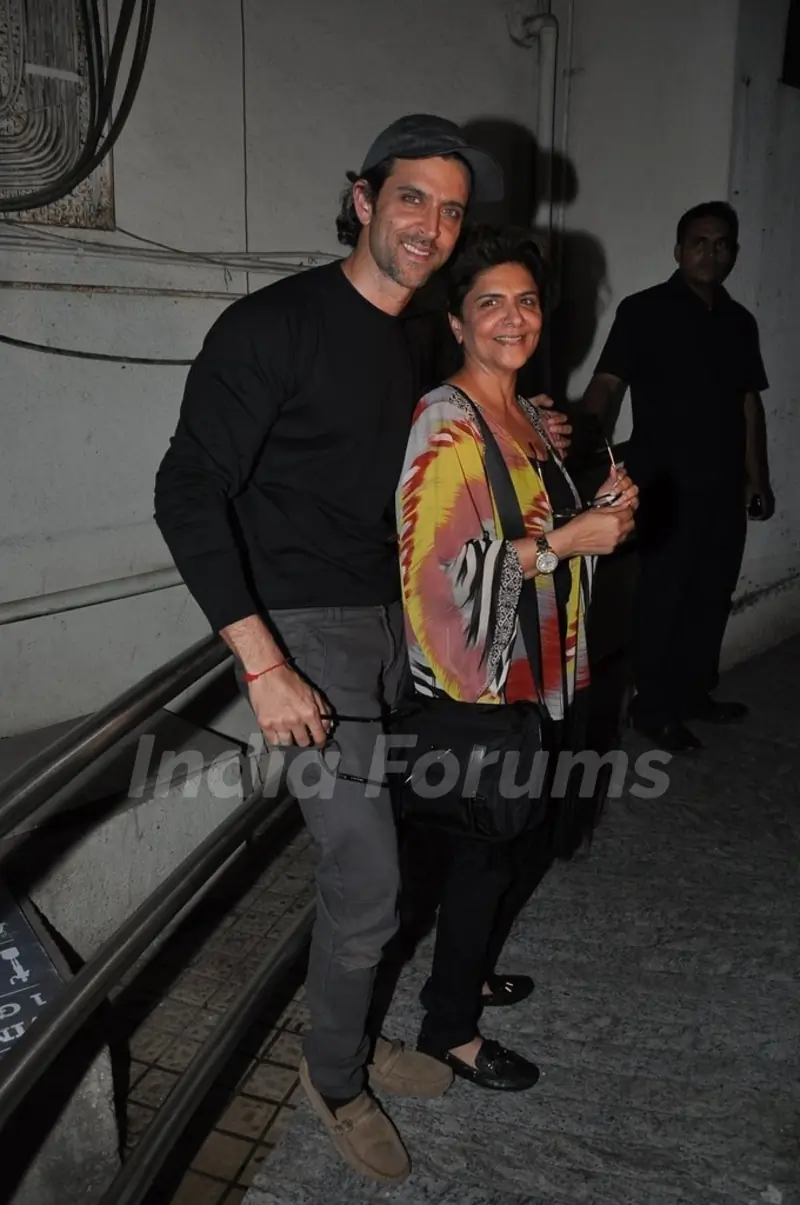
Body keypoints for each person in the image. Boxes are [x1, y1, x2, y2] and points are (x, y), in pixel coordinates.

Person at [154, 114, 508, 1184]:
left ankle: (346, 1036)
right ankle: (335, 1077)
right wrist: (262, 661)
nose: (431, 226)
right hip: (301, 630)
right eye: (412, 199)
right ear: (362, 197)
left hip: (390, 626)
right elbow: (184, 490)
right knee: (365, 879)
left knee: (400, 852)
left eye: (450, 210)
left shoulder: (414, 337)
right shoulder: (272, 326)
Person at [396, 225, 637, 1090]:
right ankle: (448, 1028)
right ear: (457, 322)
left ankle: (467, 969)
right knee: (484, 856)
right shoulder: (446, 423)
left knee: (520, 844)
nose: (511, 317)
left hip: (546, 676)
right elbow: (433, 574)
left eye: (526, 300)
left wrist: (601, 512)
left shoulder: (531, 414)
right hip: (485, 690)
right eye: (488, 302)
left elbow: (549, 540)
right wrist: (568, 538)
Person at [582, 202, 774, 752]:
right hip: (664, 482)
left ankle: (693, 694)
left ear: (733, 254)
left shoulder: (740, 323)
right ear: (678, 250)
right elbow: (607, 383)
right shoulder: (644, 311)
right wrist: (586, 445)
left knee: (712, 591)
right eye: (699, 242)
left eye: (721, 244)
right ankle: (651, 707)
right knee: (663, 594)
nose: (709, 253)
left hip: (723, 484)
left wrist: (756, 478)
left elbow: (748, 405)